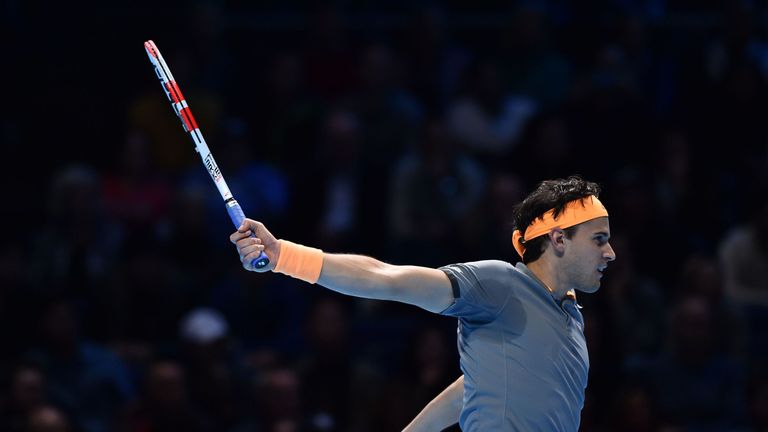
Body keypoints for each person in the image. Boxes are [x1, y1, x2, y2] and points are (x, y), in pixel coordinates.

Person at [230, 175, 616, 431]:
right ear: (559, 240)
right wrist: (285, 257)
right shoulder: (502, 285)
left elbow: (480, 384)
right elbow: (387, 277)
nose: (611, 252)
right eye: (599, 239)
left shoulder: (569, 315)